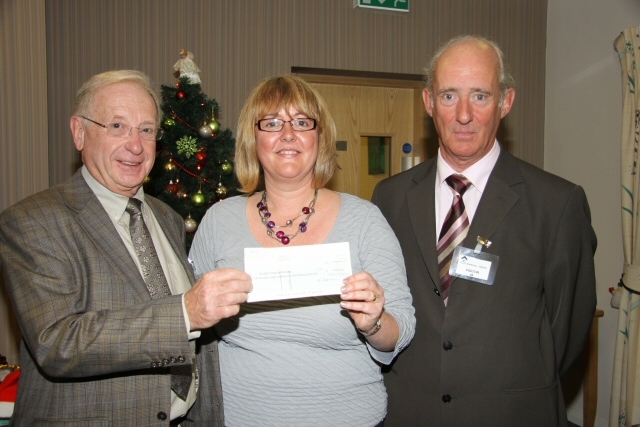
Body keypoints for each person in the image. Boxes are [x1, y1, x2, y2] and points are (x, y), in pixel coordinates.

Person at [0, 70, 252, 426]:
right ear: (79, 132)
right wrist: (184, 313)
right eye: (117, 126)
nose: (135, 145)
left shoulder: (167, 218)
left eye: (146, 130)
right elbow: (56, 344)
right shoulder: (32, 221)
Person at [371, 35, 597, 427]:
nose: (463, 114)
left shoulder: (556, 203)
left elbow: (569, 327)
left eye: (480, 96)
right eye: (448, 96)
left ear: (505, 102)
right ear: (428, 102)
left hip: (511, 413)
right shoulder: (389, 197)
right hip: (409, 411)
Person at [188, 75, 415, 426]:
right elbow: (188, 323)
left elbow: (401, 328)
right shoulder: (219, 221)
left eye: (302, 122)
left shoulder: (365, 220)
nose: (288, 134)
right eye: (273, 123)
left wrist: (374, 323)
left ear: (319, 138)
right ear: (254, 138)